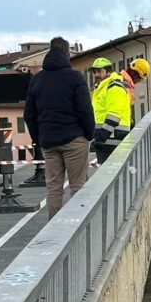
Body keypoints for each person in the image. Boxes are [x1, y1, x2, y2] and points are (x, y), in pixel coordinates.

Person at [23, 37, 95, 220]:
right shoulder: (75, 77)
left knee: (53, 188)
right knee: (78, 186)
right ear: (67, 53)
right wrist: (88, 134)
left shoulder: (37, 80)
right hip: (74, 139)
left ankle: (53, 227)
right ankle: (77, 226)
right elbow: (85, 110)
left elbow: (28, 114)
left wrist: (38, 139)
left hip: (49, 141)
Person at [89, 57, 151, 165]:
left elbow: (115, 114)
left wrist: (100, 138)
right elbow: (114, 113)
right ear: (136, 75)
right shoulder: (115, 85)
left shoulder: (114, 85)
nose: (96, 75)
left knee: (109, 172)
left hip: (111, 138)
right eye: (95, 72)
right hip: (110, 138)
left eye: (99, 71)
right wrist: (100, 138)